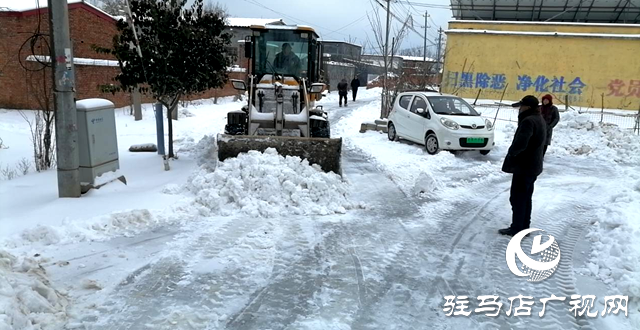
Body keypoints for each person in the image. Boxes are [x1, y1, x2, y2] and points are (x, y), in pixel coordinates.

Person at [499, 95, 547, 237]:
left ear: (528, 107)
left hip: (524, 166)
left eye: (522, 106)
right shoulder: (539, 118)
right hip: (533, 166)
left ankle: (517, 228)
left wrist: (512, 153)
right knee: (526, 197)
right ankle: (524, 226)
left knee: (517, 198)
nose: (519, 109)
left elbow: (521, 143)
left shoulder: (528, 121)